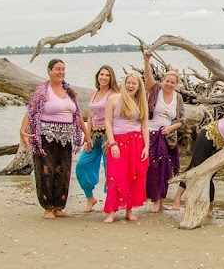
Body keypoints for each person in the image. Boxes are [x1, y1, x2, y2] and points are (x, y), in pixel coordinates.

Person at [21, 58, 84, 219]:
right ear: (49, 71)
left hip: (65, 137)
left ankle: (58, 206)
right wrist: (23, 131)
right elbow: (31, 112)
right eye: (57, 69)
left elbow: (76, 115)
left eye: (63, 69)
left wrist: (87, 135)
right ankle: (47, 208)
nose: (61, 72)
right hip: (45, 136)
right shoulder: (42, 91)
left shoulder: (69, 91)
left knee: (63, 171)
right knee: (45, 170)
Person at [142, 51, 186, 214]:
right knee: (153, 168)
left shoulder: (178, 98)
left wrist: (170, 129)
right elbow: (147, 78)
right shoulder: (155, 91)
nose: (169, 84)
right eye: (167, 81)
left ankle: (161, 201)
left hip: (168, 138)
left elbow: (182, 120)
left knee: (165, 170)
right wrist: (147, 61)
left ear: (176, 84)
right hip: (151, 134)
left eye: (172, 82)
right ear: (163, 81)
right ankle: (154, 200)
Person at [103, 73, 149, 223]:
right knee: (115, 175)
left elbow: (144, 126)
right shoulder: (113, 99)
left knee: (133, 176)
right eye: (128, 83)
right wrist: (112, 143)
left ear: (138, 87)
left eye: (133, 84)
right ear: (124, 84)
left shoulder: (141, 101)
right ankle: (111, 211)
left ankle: (129, 210)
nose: (130, 86)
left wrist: (146, 147)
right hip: (118, 140)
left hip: (136, 141)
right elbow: (108, 123)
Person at [77, 65, 119, 213]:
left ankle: (109, 201)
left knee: (110, 170)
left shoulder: (114, 94)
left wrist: (111, 139)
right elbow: (90, 116)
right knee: (81, 165)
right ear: (97, 76)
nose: (104, 77)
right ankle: (90, 198)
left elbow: (116, 118)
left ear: (111, 78)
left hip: (108, 136)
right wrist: (87, 136)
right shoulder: (93, 94)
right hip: (94, 135)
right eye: (101, 74)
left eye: (107, 75)